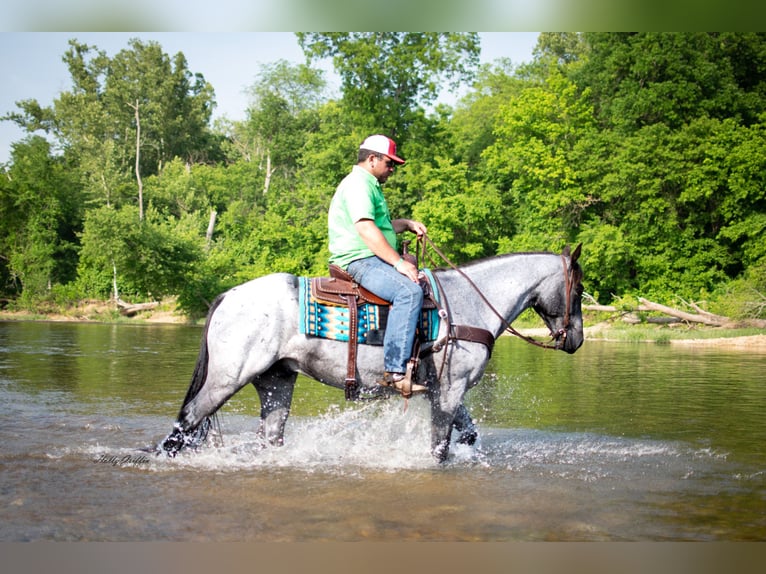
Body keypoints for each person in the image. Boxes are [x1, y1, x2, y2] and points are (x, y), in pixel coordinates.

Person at [328, 134, 427, 392]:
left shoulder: (369, 184)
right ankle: (395, 373)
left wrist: (405, 224)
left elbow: (381, 227)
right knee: (409, 291)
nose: (392, 169)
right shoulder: (358, 185)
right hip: (359, 259)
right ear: (372, 159)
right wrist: (399, 263)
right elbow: (366, 229)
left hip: (368, 256)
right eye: (389, 163)